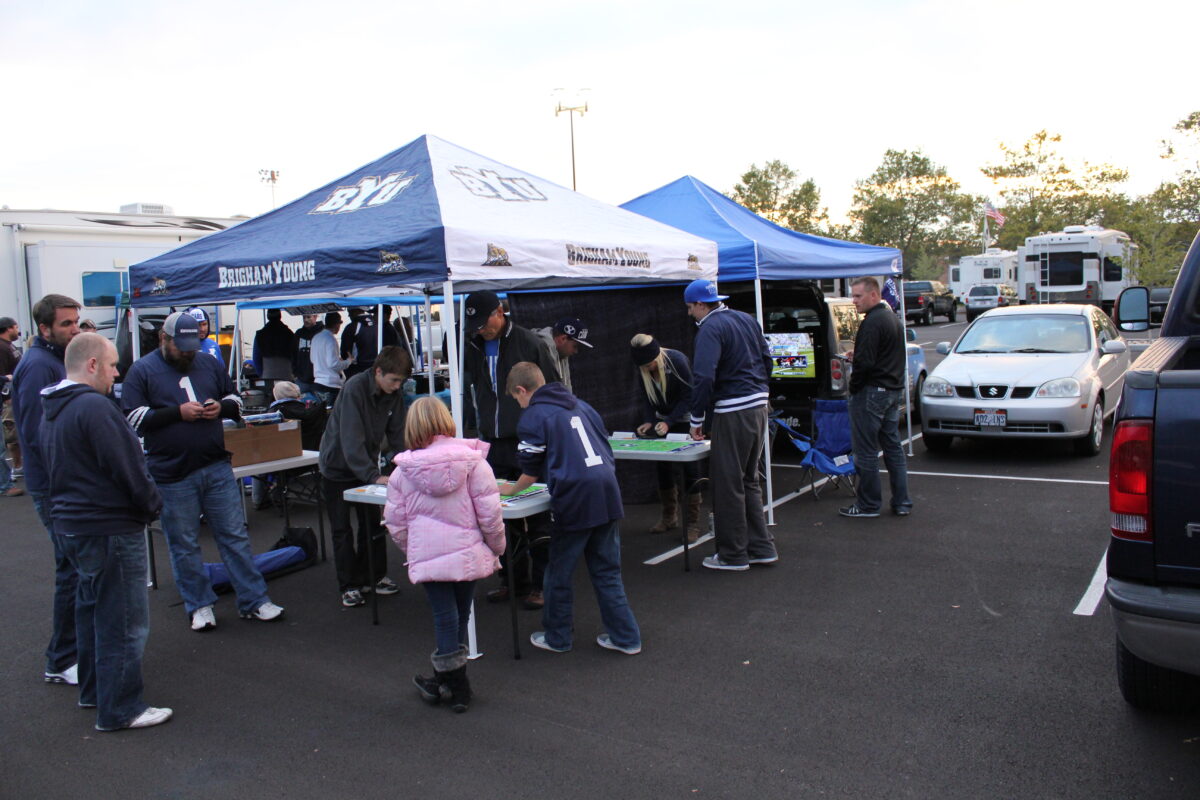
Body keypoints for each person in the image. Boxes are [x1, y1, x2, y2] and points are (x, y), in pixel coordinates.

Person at [39, 333, 173, 731]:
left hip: (75, 524)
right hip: (108, 525)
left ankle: (95, 693)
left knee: (93, 611)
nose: (118, 373)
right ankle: (120, 708)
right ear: (93, 365)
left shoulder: (54, 406)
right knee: (124, 621)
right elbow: (128, 467)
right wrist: (152, 505)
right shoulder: (94, 407)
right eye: (113, 365)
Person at [122, 311, 285, 631]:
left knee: (235, 536)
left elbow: (235, 400)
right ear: (163, 339)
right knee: (183, 543)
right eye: (181, 346)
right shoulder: (142, 370)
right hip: (172, 473)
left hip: (215, 463)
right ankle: (199, 604)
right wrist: (177, 413)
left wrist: (220, 408)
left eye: (192, 345)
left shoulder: (208, 362)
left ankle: (253, 600)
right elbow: (134, 419)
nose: (187, 352)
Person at [502, 362, 641, 655]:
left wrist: (510, 489)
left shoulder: (534, 416)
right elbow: (604, 446)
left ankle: (558, 637)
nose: (520, 405)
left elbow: (529, 471)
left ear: (521, 390)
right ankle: (626, 637)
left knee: (558, 572)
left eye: (517, 399)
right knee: (607, 572)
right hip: (606, 490)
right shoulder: (581, 405)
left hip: (575, 498)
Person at [383, 397, 506, 713]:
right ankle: (454, 684)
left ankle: (451, 683)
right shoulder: (474, 463)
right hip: (467, 553)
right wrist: (497, 547)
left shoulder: (401, 472)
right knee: (460, 615)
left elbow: (396, 523)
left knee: (445, 616)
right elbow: (490, 514)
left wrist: (415, 550)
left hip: (429, 556)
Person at [461, 290, 558, 610]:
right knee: (499, 514)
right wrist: (470, 435)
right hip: (492, 442)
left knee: (539, 512)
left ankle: (542, 583)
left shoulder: (530, 342)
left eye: (483, 321)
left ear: (499, 313)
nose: (480, 329)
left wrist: (546, 430)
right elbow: (468, 391)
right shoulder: (471, 344)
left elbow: (552, 388)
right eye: (473, 324)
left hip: (528, 437)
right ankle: (513, 581)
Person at [683, 278, 779, 572]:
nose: (689, 314)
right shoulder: (745, 319)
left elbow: (704, 377)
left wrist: (696, 419)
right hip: (759, 406)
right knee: (749, 479)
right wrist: (761, 392)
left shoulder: (711, 328)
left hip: (733, 409)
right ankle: (761, 547)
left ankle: (733, 554)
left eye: (690, 308)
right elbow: (767, 360)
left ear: (700, 304)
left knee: (728, 484)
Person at [12, 294, 82, 684]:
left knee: (76, 570)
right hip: (56, 488)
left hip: (63, 485)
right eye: (66, 324)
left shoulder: (53, 360)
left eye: (76, 322)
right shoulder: (39, 366)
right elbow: (42, 436)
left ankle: (69, 653)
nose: (74, 330)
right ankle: (61, 659)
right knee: (71, 571)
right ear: (44, 328)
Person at [319, 344, 411, 608]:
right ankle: (349, 585)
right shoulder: (354, 389)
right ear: (378, 371)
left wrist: (406, 464)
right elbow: (350, 439)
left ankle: (374, 576)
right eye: (394, 380)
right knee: (342, 528)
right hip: (337, 466)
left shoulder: (393, 393)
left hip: (366, 465)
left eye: (401, 381)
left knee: (372, 524)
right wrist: (374, 475)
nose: (397, 386)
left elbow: (398, 434)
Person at [841, 276, 913, 519]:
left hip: (872, 393)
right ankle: (902, 502)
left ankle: (868, 505)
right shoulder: (891, 318)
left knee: (866, 451)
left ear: (874, 295)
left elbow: (866, 364)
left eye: (858, 296)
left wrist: (855, 386)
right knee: (893, 449)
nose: (854, 301)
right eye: (853, 296)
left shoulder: (872, 322)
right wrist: (858, 355)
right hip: (892, 391)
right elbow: (882, 355)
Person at [630, 333, 706, 541]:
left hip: (685, 418)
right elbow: (646, 397)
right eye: (644, 365)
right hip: (662, 418)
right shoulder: (642, 369)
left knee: (690, 468)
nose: (647, 368)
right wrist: (648, 420)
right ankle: (669, 516)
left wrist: (670, 422)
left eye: (650, 364)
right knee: (663, 466)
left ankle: (692, 523)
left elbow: (689, 395)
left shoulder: (677, 361)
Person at [531, 317, 592, 393]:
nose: (576, 351)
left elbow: (567, 389)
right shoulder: (541, 350)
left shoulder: (562, 352)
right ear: (563, 339)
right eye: (575, 346)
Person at [0, 315, 23, 497]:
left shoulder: (8, 346)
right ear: (8, 328)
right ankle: (5, 484)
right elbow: (3, 376)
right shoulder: (1, 347)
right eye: (15, 327)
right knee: (8, 440)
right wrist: (6, 394)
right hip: (7, 399)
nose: (18, 331)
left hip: (8, 398)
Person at [251, 309, 296, 396]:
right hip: (286, 374)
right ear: (280, 316)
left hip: (267, 375)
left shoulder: (260, 334)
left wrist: (261, 374)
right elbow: (295, 355)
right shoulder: (289, 333)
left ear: (268, 316)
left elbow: (256, 357)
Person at [312, 311, 353, 406]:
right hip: (330, 385)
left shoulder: (316, 337)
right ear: (336, 324)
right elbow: (333, 364)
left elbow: (313, 359)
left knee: (321, 416)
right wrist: (348, 362)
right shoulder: (331, 339)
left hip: (318, 383)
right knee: (332, 417)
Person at [293, 314, 324, 396]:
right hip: (302, 378)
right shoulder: (299, 333)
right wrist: (295, 372)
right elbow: (293, 353)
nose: (306, 320)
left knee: (321, 405)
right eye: (304, 317)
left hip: (319, 379)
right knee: (299, 404)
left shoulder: (323, 333)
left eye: (308, 317)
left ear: (315, 317)